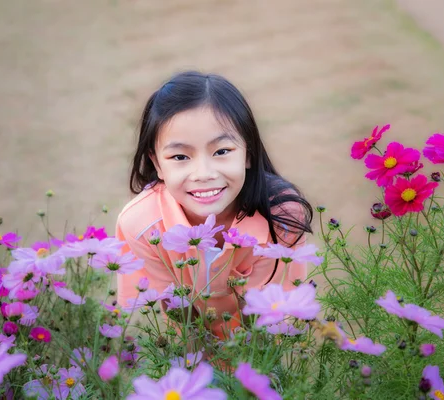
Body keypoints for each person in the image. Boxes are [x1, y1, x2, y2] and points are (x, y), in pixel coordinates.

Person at [115, 71, 314, 338]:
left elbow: (278, 316)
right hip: (190, 355)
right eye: (180, 156)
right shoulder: (140, 225)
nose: (204, 173)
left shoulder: (282, 214)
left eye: (221, 151)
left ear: (248, 153)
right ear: (156, 163)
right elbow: (174, 317)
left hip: (263, 351)